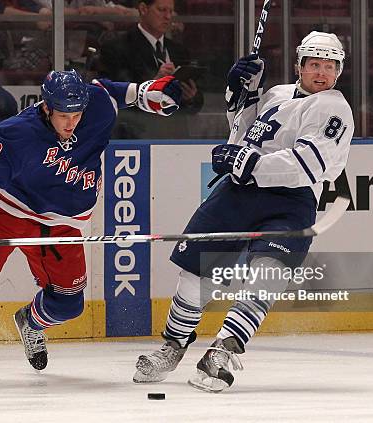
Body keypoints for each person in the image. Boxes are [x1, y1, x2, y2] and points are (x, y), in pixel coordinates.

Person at [0, 69, 182, 381]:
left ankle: (31, 321)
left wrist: (146, 91)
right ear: (47, 106)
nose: (71, 123)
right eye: (64, 115)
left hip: (60, 224)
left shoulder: (94, 104)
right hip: (5, 213)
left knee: (68, 305)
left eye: (77, 114)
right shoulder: (14, 133)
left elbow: (111, 90)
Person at [133, 31, 354, 392]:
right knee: (195, 273)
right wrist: (240, 93)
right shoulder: (278, 94)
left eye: (329, 66)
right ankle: (172, 346)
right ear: (299, 65)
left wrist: (244, 161)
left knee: (267, 275)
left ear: (338, 71)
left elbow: (309, 164)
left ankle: (223, 350)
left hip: (289, 201)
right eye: (314, 64)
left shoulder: (332, 107)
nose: (321, 73)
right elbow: (242, 133)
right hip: (239, 193)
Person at [98, 0, 203, 138]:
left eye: (171, 11)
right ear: (143, 9)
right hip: (136, 138)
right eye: (162, 10)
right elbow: (112, 96)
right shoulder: (117, 48)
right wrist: (152, 86)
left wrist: (191, 97)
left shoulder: (179, 50)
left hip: (175, 139)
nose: (168, 16)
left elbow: (197, 103)